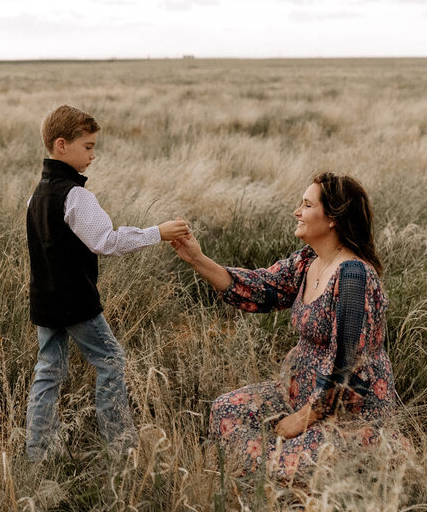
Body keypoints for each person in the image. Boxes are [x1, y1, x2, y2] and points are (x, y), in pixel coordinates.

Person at [171, 173, 401, 482]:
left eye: (306, 205)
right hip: (294, 394)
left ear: (332, 218)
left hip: (344, 413)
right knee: (226, 410)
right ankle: (250, 482)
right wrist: (197, 259)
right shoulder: (309, 259)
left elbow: (347, 360)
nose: (297, 211)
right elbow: (262, 289)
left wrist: (305, 416)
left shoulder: (353, 277)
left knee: (284, 466)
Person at [25, 104, 190, 459]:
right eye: (88, 146)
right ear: (61, 145)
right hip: (75, 301)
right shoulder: (76, 196)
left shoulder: (36, 194)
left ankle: (37, 453)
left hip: (44, 301)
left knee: (48, 370)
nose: (93, 155)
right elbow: (107, 242)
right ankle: (120, 445)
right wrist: (156, 233)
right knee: (111, 359)